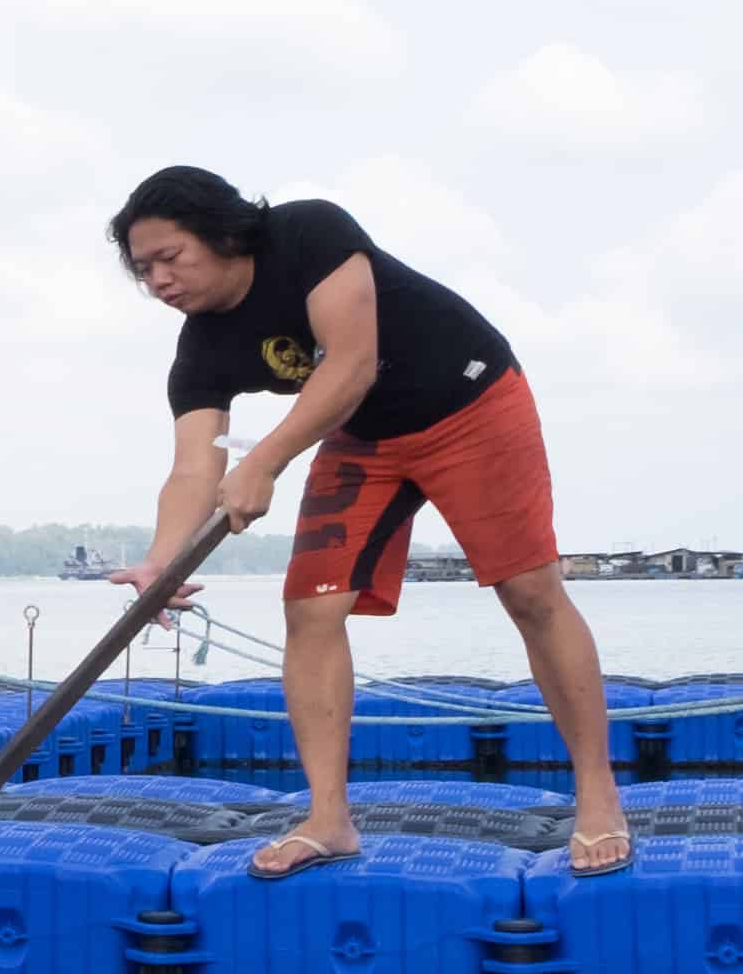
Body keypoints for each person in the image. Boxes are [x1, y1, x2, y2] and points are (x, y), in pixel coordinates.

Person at [112, 168, 635, 878]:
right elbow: (192, 472)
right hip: (365, 437)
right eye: (144, 272)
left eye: (169, 258)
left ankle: (598, 799)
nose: (159, 282)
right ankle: (329, 819)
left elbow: (351, 365)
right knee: (311, 607)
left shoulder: (308, 233)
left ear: (223, 233)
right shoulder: (201, 348)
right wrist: (161, 563)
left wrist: (265, 459)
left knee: (531, 592)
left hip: (470, 404)